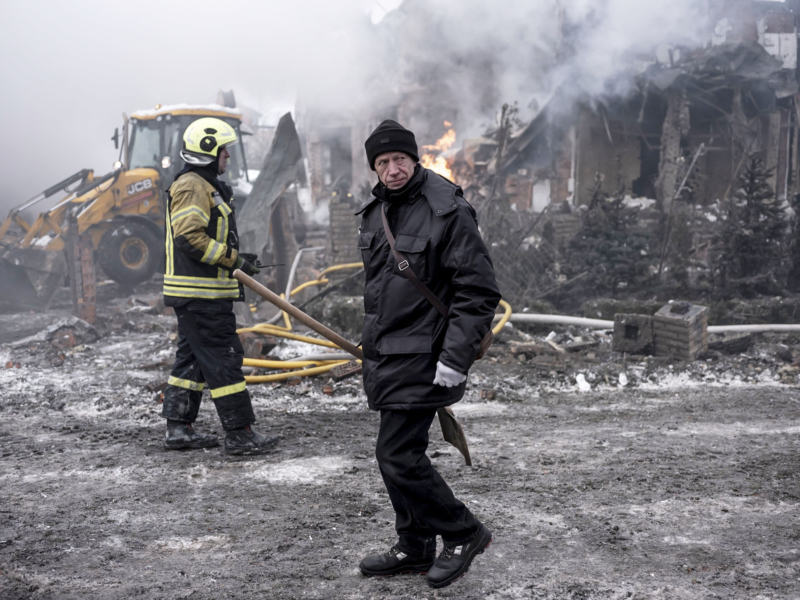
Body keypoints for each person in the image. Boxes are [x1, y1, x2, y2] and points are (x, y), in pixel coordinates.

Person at [356, 120, 501, 589]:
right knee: (395, 454)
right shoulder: (376, 211)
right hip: (388, 354)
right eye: (383, 162)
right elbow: (383, 291)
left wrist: (455, 357)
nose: (392, 169)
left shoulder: (446, 210)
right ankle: (415, 544)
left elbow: (477, 291)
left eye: (400, 159)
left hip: (428, 354)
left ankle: (463, 532)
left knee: (397, 454)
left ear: (415, 159)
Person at [161, 117, 279, 455]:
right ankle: (240, 433)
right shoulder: (192, 185)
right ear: (209, 151)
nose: (228, 155)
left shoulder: (204, 184)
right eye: (224, 149)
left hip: (199, 295)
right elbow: (189, 238)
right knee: (223, 359)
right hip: (201, 297)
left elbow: (207, 235)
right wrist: (233, 260)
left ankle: (179, 428)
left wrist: (239, 258)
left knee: (193, 360)